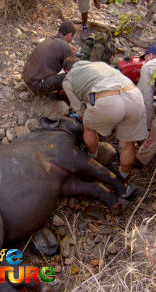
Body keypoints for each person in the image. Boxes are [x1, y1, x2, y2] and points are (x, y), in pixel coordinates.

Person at [62, 56, 148, 192]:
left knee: (88, 127)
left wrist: (93, 119)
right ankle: (123, 175)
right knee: (127, 144)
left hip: (106, 99)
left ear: (67, 71)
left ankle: (93, 157)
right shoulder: (100, 63)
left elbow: (80, 111)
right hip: (133, 94)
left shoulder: (68, 79)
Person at [23, 21, 76, 95]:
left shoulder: (49, 40)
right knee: (71, 77)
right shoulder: (66, 47)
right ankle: (61, 95)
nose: (71, 39)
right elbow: (71, 70)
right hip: (37, 85)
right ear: (69, 34)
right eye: (72, 37)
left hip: (27, 79)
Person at [136, 44, 156, 166]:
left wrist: (148, 127)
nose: (144, 61)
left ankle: (140, 160)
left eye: (145, 58)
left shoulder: (149, 66)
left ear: (151, 55)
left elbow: (146, 100)